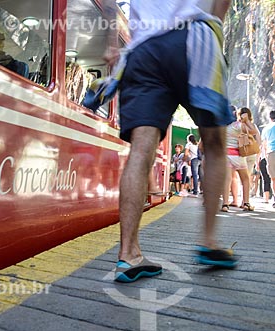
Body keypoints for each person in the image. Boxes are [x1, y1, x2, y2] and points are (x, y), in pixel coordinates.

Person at [102, 0, 238, 283]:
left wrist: (111, 45)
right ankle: (209, 243)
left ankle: (129, 255)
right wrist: (216, 29)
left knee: (140, 150)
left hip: (143, 51)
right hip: (195, 36)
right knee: (214, 144)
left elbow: (112, 4)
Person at [221, 109, 257, 212]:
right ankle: (246, 203)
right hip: (238, 156)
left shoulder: (227, 126)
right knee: (245, 179)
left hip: (226, 155)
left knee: (227, 180)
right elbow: (253, 131)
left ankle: (225, 204)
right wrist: (247, 121)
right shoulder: (239, 125)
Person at [261, 111, 275, 208]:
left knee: (273, 178)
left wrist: (264, 157)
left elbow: (264, 144)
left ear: (270, 118)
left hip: (271, 153)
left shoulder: (267, 128)